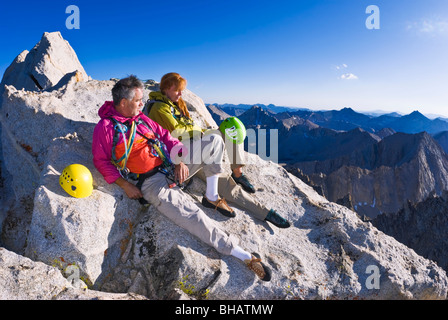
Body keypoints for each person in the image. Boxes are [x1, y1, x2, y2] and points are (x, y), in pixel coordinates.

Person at [92, 75, 271, 281]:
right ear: (123, 102)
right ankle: (244, 255)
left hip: (171, 166)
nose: (142, 104)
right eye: (138, 100)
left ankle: (211, 195)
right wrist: (124, 185)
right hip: (152, 182)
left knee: (213, 140)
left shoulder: (141, 118)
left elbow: (167, 138)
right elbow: (101, 161)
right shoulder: (106, 128)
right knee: (194, 216)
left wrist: (179, 160)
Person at [146, 72, 290, 229]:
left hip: (196, 147)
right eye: (177, 90)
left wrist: (202, 132)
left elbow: (186, 128)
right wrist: (201, 133)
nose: (181, 94)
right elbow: (175, 133)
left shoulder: (174, 104)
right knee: (227, 184)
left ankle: (242, 179)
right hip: (184, 156)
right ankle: (260, 209)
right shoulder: (159, 108)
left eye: (181, 90)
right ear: (166, 88)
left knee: (231, 126)